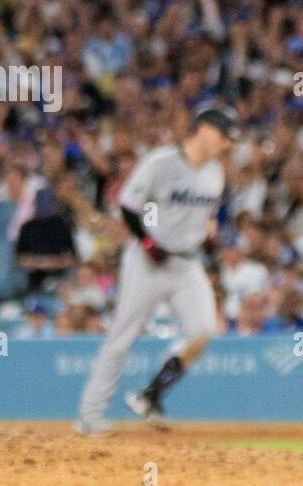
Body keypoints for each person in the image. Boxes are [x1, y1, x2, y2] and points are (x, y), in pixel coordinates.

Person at [75, 107, 236, 435]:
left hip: (186, 263)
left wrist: (208, 239)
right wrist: (148, 243)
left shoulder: (215, 173)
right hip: (148, 261)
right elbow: (129, 205)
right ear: (203, 130)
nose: (228, 143)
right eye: (224, 135)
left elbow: (208, 216)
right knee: (123, 335)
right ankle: (90, 415)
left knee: (203, 331)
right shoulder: (161, 161)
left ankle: (150, 395)